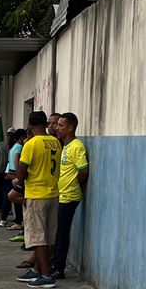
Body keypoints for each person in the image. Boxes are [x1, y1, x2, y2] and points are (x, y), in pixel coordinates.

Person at [15, 111, 61, 287]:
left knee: (38, 236)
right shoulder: (55, 142)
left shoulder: (31, 144)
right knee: (49, 236)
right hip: (53, 192)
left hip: (36, 193)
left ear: (30, 125)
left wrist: (21, 172)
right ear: (45, 124)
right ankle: (37, 269)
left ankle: (46, 275)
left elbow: (20, 172)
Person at [52, 112, 89, 279]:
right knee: (57, 231)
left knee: (62, 233)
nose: (57, 128)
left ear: (70, 127)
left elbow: (83, 171)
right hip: (60, 194)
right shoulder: (65, 146)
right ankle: (55, 263)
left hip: (69, 196)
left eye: (60, 125)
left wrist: (76, 186)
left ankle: (58, 267)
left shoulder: (77, 146)